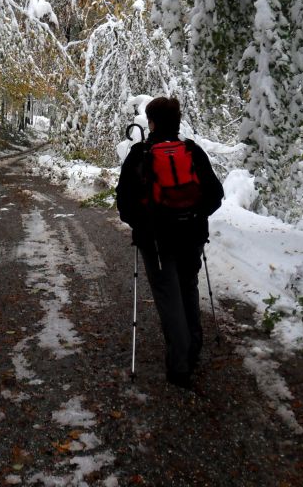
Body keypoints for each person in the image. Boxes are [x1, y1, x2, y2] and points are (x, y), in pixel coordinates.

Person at [115, 96, 224, 388]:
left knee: (168, 298)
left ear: (151, 123)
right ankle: (193, 347)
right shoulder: (192, 151)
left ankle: (179, 366)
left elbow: (124, 205)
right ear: (176, 122)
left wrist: (143, 224)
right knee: (188, 288)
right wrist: (195, 216)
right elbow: (215, 195)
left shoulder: (141, 154)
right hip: (192, 237)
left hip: (157, 242)